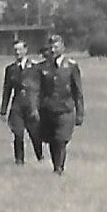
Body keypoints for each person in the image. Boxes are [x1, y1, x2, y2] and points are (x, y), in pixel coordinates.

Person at [36, 34, 85, 175]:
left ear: (63, 47)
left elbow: (78, 91)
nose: (53, 50)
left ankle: (59, 168)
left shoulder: (71, 66)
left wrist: (80, 113)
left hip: (65, 109)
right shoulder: (42, 67)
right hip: (48, 110)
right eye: (51, 47)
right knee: (52, 140)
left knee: (61, 139)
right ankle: (56, 166)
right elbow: (38, 90)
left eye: (56, 47)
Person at [0, 40, 44, 167]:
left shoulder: (35, 68)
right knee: (18, 134)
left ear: (25, 50)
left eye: (19, 50)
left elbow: (41, 88)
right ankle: (19, 161)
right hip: (17, 106)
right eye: (15, 50)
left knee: (35, 134)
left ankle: (40, 157)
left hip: (31, 105)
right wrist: (3, 110)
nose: (17, 52)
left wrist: (40, 106)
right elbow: (7, 90)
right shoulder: (10, 69)